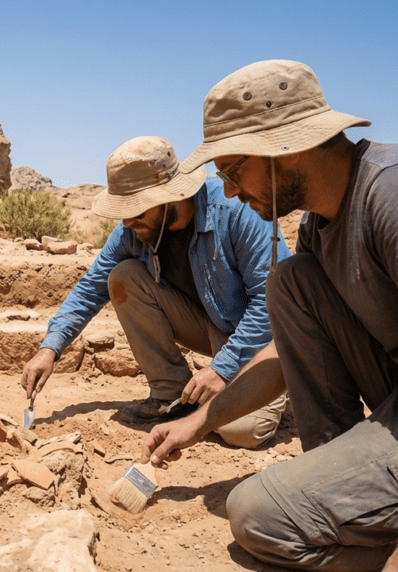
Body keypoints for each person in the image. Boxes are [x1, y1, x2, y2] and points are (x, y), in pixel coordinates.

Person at [143, 59, 398, 571]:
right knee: (290, 281)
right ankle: (348, 482)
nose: (233, 192)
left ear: (286, 149)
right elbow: (282, 357)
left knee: (257, 515)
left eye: (234, 171)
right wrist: (200, 422)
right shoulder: (317, 227)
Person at [20, 135, 290, 449]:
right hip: (210, 325)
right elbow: (90, 288)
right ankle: (170, 394)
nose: (126, 221)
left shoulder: (235, 210)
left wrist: (222, 369)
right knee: (124, 277)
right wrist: (49, 349)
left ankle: (266, 387)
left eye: (136, 209)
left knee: (242, 430)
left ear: (170, 197)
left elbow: (272, 302)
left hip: (258, 339)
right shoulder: (133, 230)